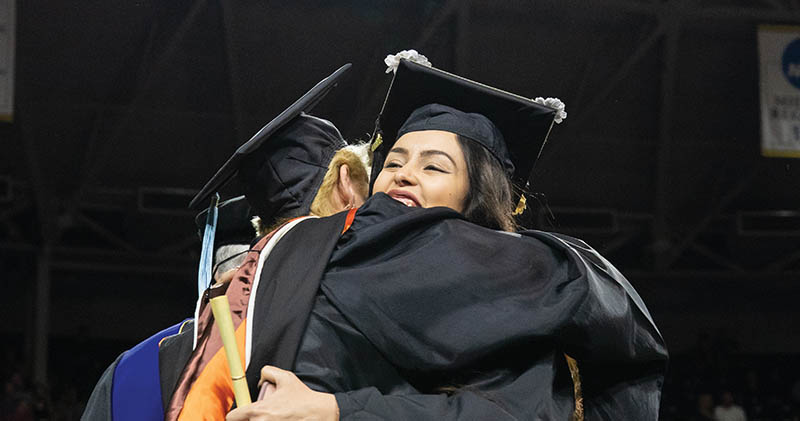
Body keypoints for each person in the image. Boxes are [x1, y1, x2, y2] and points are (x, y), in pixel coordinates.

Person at [222, 57, 667, 420]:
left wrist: (336, 409)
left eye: (434, 167)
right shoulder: (323, 253)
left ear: (476, 195)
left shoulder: (515, 304)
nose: (404, 175)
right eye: (393, 163)